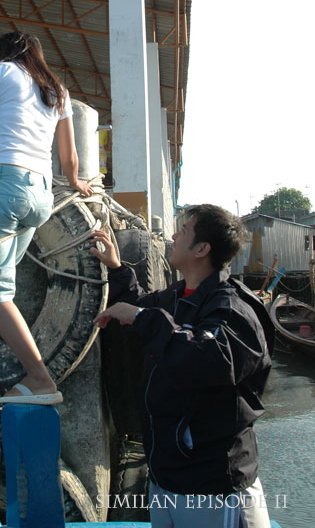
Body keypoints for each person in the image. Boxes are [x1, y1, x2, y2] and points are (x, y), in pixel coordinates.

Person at [91, 204, 274, 528]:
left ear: (202, 248)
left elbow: (209, 358)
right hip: (167, 481)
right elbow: (140, 307)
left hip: (214, 490)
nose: (173, 235)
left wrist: (144, 318)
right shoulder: (178, 296)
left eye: (184, 229)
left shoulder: (233, 308)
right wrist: (117, 268)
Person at [0, 32, 93, 409]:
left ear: (2, 52)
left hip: (2, 185)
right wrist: (77, 182)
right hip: (40, 195)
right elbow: (69, 157)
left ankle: (40, 378)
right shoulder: (57, 89)